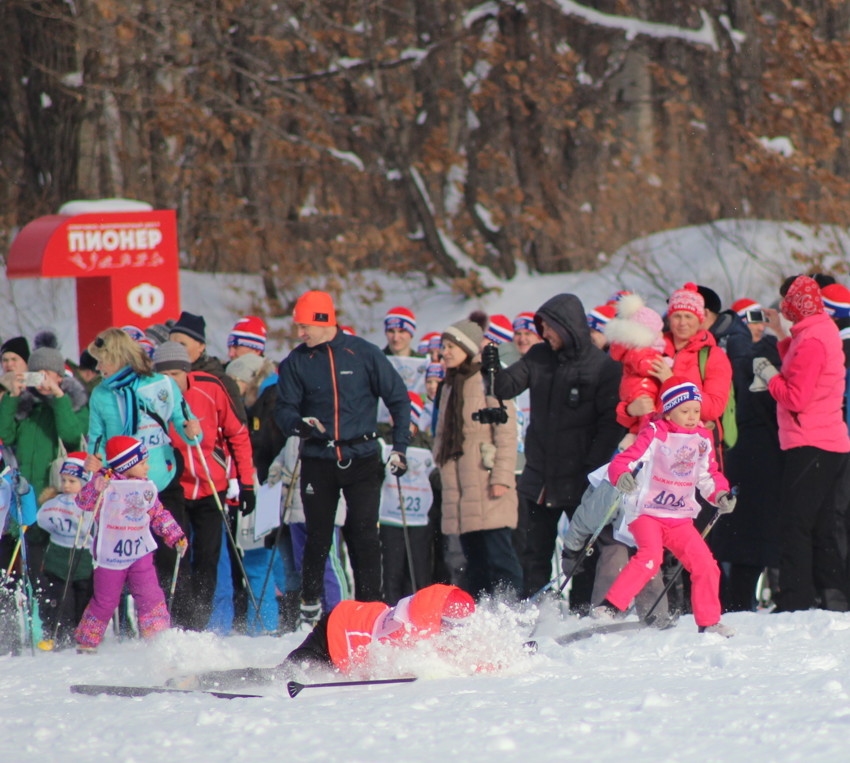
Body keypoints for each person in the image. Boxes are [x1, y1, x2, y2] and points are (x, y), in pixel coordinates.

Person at [275, 290, 411, 623]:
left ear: (323, 320)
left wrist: (400, 447)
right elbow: (284, 409)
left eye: (305, 326)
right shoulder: (296, 361)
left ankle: (371, 610)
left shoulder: (363, 353)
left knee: (364, 533)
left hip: (362, 456)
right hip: (318, 460)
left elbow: (399, 400)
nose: (300, 333)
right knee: (317, 534)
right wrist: (299, 426)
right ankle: (310, 605)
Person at [493, 294, 624, 602]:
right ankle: (533, 607)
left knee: (582, 552)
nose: (544, 333)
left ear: (568, 327)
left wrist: (592, 468)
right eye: (542, 326)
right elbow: (505, 388)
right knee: (531, 550)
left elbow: (612, 424)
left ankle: (580, 611)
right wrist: (491, 371)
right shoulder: (539, 356)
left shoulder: (603, 367)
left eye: (549, 327)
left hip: (581, 477)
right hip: (539, 476)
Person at [596, 377, 737, 635]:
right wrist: (622, 475)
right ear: (669, 411)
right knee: (650, 557)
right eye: (685, 411)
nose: (692, 416)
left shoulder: (703, 439)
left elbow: (708, 477)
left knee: (706, 564)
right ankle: (611, 606)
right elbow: (624, 461)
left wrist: (720, 495)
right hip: (647, 511)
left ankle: (709, 622)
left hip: (679, 517)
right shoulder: (656, 433)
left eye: (696, 410)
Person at [750, 275, 850, 612]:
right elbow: (800, 369)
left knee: (795, 524)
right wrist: (781, 336)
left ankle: (795, 599)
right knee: (820, 527)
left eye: (787, 304)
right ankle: (833, 597)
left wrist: (768, 374)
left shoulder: (812, 340)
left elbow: (795, 396)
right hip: (823, 441)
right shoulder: (816, 332)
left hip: (812, 441)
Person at [171, 583, 475, 689]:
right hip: (336, 631)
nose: (453, 634)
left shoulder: (425, 618)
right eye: (449, 627)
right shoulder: (411, 629)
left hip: (350, 622)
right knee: (282, 677)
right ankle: (200, 679)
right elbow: (380, 662)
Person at [84, 327, 201, 601]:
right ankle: (130, 625)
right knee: (128, 558)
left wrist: (191, 429)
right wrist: (94, 461)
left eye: (103, 359)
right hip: (122, 488)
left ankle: (178, 621)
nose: (98, 367)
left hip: (162, 479)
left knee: (171, 554)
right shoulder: (101, 394)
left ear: (119, 356)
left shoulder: (161, 384)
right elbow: (97, 440)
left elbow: (186, 425)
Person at [151, 341, 256, 631]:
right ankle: (181, 620)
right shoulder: (153, 396)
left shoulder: (210, 387)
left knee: (208, 558)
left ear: (187, 370)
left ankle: (200, 620)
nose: (171, 381)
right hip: (173, 487)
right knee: (174, 555)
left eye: (176, 373)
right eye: (164, 375)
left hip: (212, 484)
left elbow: (237, 433)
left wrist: (246, 483)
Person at [433, 318, 522, 599]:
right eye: (442, 346)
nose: (443, 352)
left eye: (450, 346)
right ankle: (478, 615)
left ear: (467, 348)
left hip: (486, 483)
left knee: (500, 557)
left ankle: (513, 611)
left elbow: (507, 434)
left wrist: (501, 479)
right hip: (460, 488)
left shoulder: (489, 379)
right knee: (473, 562)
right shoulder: (449, 386)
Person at [74, 436, 188, 653]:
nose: (148, 467)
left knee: (150, 595)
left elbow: (158, 514)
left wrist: (175, 535)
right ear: (127, 465)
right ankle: (87, 641)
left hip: (139, 552)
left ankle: (158, 639)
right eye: (143, 463)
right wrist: (95, 487)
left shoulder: (145, 487)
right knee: (105, 601)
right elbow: (84, 503)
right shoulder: (106, 482)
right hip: (111, 554)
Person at [710, 299, 784, 611]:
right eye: (747, 320)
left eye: (761, 318)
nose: (756, 326)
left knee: (753, 535)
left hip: (763, 451)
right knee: (736, 536)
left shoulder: (774, 352)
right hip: (738, 453)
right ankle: (734, 603)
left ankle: (743, 601)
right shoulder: (725, 357)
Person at [379, 392, 436, 604]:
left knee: (418, 571)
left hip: (420, 519)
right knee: (391, 570)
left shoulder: (426, 443)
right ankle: (391, 611)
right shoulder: (383, 439)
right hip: (390, 517)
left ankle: (417, 610)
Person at [35, 452, 94, 648]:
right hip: (59, 557)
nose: (66, 485)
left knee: (83, 597)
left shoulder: (92, 504)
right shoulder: (55, 503)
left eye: (73, 481)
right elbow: (43, 522)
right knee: (61, 599)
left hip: (84, 557)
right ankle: (60, 634)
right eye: (64, 480)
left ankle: (82, 634)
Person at [169, 311, 247, 423]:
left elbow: (238, 427)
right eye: (170, 344)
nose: (174, 349)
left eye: (182, 344)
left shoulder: (220, 382)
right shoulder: (162, 378)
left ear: (201, 346)